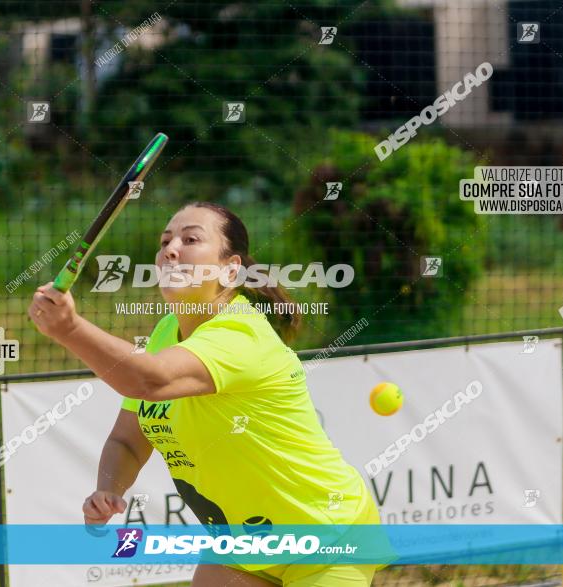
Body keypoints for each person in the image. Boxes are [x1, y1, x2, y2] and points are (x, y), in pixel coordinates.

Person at [29, 202, 382, 586]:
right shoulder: (167, 331)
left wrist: (69, 329)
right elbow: (128, 439)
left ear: (230, 269)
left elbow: (150, 382)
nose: (170, 249)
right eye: (165, 241)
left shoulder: (242, 333)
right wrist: (108, 489)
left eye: (190, 239)